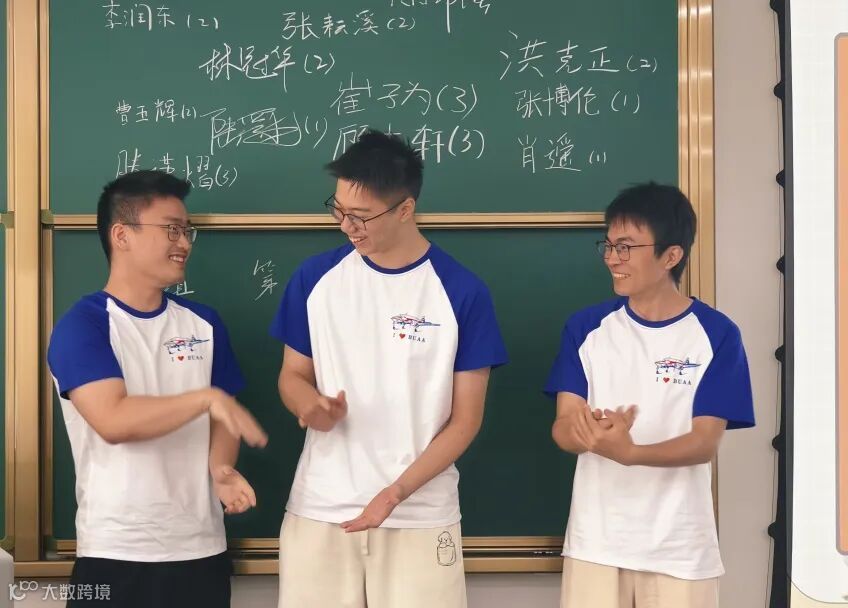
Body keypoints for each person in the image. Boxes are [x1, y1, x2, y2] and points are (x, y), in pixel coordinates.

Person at [271, 130, 508, 608]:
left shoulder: (461, 292)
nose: (347, 226)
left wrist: (396, 492)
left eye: (361, 216)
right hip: (320, 509)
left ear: (405, 209)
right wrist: (309, 405)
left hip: (420, 514)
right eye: (338, 210)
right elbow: (292, 376)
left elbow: (465, 420)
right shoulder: (315, 279)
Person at [47, 170, 267, 608]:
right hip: (116, 553)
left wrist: (221, 469)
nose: (184, 242)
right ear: (121, 235)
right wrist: (206, 398)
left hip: (201, 549)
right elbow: (114, 420)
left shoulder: (204, 323)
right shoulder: (84, 325)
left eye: (187, 231)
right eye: (171, 229)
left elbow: (226, 415)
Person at [545, 183, 755, 608]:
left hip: (680, 549)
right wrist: (588, 433)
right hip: (595, 544)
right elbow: (563, 426)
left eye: (626, 247)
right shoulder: (586, 329)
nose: (612, 258)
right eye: (609, 245)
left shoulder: (717, 334)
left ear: (671, 255)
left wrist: (630, 453)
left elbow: (704, 442)